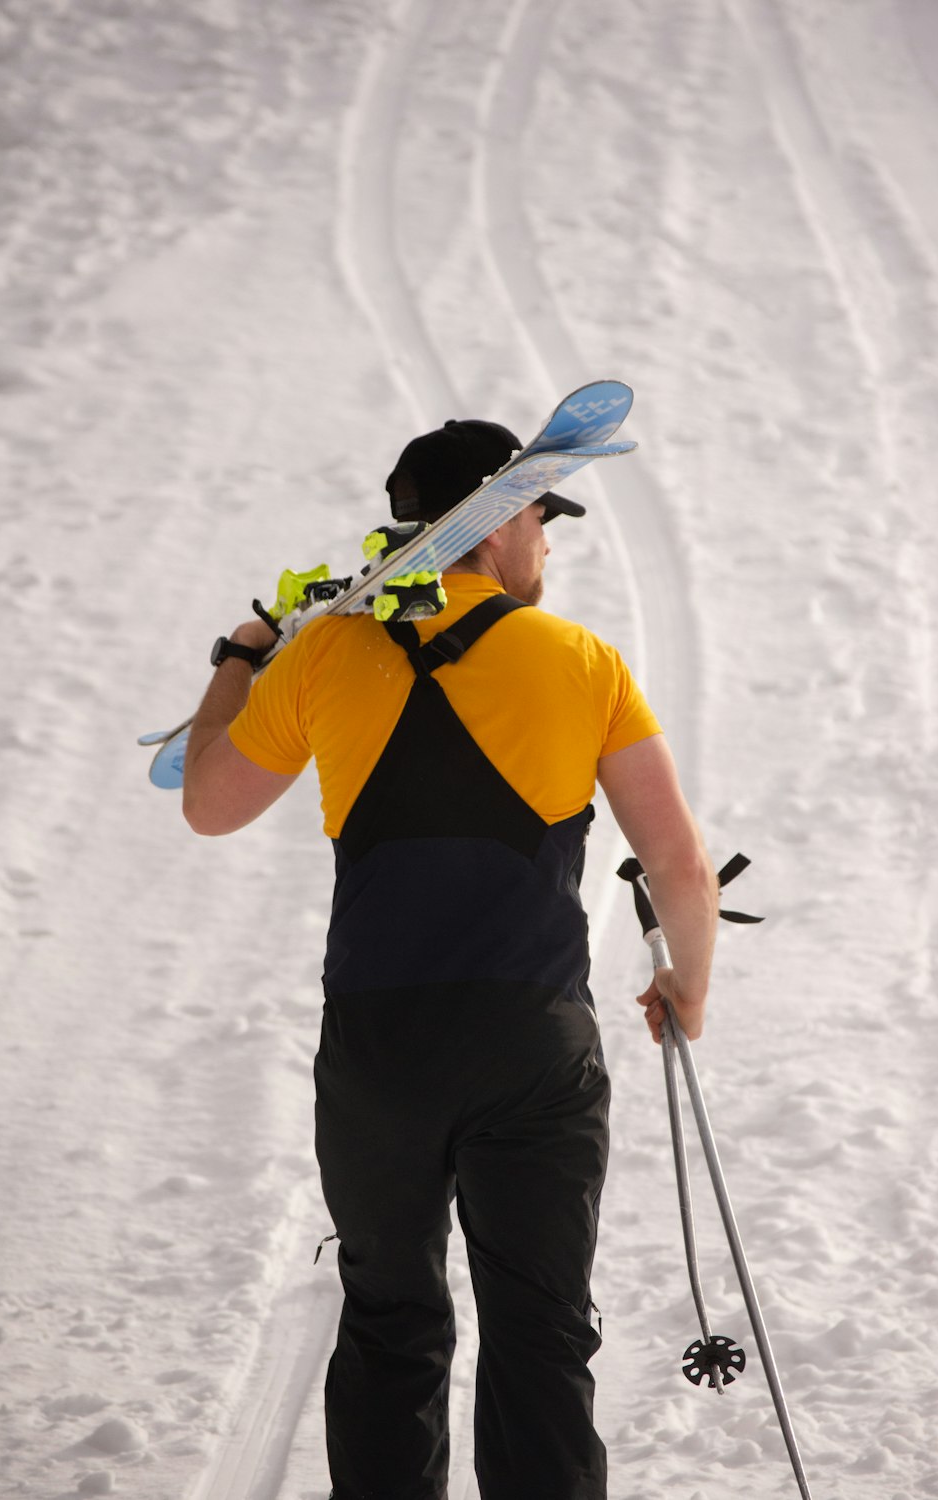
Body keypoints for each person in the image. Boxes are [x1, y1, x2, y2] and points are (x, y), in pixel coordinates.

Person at [183, 416, 719, 1500]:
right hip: (531, 1049)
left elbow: (206, 804)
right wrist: (684, 988)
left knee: (389, 1321)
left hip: (380, 1052)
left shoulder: (324, 655)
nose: (548, 547)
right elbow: (678, 864)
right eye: (540, 521)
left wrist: (242, 658)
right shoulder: (578, 659)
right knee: (539, 1330)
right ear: (498, 523)